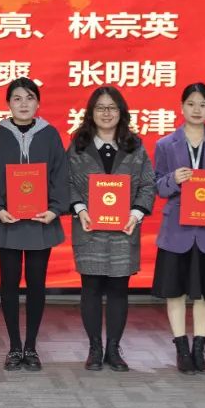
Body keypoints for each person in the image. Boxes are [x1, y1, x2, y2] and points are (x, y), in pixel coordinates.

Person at [0, 77, 69, 371]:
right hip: (8, 222)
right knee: (9, 284)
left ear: (38, 103)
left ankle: (31, 346)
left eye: (29, 98)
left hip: (41, 223)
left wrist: (55, 209)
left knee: (36, 284)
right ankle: (14, 347)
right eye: (17, 98)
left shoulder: (50, 135)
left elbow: (61, 175)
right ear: (8, 103)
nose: (23, 104)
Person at [151, 83, 205, 375]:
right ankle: (181, 350)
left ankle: (199, 350)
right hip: (176, 230)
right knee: (175, 292)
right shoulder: (166, 144)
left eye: (203, 105)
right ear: (182, 107)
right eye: (191, 104)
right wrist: (173, 179)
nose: (197, 110)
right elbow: (157, 186)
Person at [67, 86, 155, 372]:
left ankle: (114, 349)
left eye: (112, 108)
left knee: (119, 289)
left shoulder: (134, 145)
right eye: (100, 108)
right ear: (91, 113)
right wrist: (79, 208)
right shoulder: (78, 145)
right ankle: (95, 348)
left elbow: (148, 184)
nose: (106, 113)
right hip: (89, 228)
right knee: (91, 288)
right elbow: (66, 182)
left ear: (121, 112)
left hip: (124, 230)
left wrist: (136, 213)